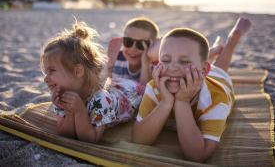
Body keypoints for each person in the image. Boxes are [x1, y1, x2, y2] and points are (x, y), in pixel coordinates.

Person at [132, 18, 251, 162]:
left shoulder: (217, 98)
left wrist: (182, 102)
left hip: (219, 80)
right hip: (198, 71)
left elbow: (198, 156)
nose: (173, 67)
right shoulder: (154, 86)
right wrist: (166, 103)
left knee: (219, 69)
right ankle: (212, 51)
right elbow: (139, 139)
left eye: (184, 61)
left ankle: (231, 42)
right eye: (166, 60)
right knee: (205, 65)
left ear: (204, 70)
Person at [40, 20, 145, 143]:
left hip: (130, 93)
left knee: (145, 89)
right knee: (108, 80)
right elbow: (65, 133)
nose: (45, 78)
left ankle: (114, 66)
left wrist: (79, 111)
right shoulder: (62, 94)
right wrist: (69, 112)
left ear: (78, 71)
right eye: (45, 72)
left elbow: (91, 139)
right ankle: (108, 69)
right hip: (112, 87)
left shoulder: (100, 99)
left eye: (51, 71)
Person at [108, 16, 160, 85]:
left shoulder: (155, 67)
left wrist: (145, 64)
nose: (133, 48)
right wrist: (109, 66)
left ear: (152, 46)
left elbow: (146, 91)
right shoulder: (116, 58)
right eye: (128, 42)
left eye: (141, 44)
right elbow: (107, 87)